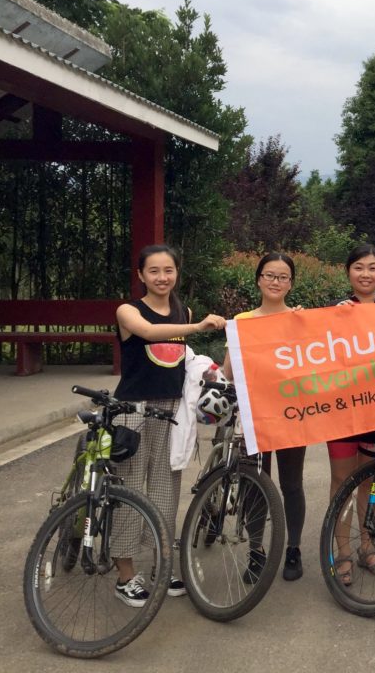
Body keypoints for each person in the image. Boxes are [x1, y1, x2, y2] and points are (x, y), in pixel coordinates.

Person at [112, 244, 227, 607]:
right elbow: (148, 333)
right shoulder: (128, 311)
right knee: (130, 490)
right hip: (133, 408)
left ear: (177, 273)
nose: (162, 277)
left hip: (171, 410)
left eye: (169, 270)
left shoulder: (182, 310)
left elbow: (184, 359)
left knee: (165, 492)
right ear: (141, 275)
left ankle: (162, 563)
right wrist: (198, 325)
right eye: (154, 271)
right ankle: (125, 575)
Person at [221, 252, 307, 581]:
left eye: (282, 277)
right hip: (254, 416)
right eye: (269, 275)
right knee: (254, 485)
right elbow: (229, 372)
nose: (275, 282)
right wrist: (234, 341)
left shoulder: (300, 320)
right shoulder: (242, 320)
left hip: (291, 416)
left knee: (291, 484)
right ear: (258, 279)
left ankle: (293, 549)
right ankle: (256, 551)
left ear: (291, 283)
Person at [325, 243, 375, 583]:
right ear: (348, 272)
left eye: (372, 267)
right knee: (342, 482)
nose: (366, 274)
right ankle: (342, 552)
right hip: (341, 411)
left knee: (368, 481)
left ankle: (366, 547)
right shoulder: (335, 311)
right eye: (358, 268)